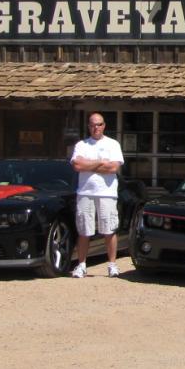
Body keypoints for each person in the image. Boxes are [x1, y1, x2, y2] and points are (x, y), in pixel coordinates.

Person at [69, 112, 124, 278]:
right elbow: (77, 165)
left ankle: (112, 264)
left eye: (99, 124)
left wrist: (88, 165)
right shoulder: (81, 145)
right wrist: (100, 162)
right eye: (93, 125)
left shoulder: (113, 144)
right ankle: (82, 265)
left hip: (107, 193)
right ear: (89, 126)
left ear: (104, 126)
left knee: (109, 229)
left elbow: (114, 168)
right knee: (84, 230)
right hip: (85, 192)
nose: (96, 128)